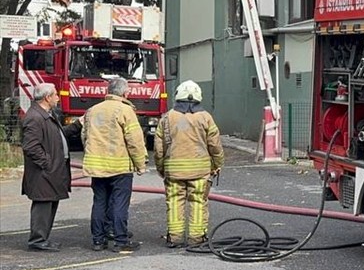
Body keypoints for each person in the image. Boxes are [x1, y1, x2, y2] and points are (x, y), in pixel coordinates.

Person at [154, 81, 224, 248]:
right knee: (198, 202)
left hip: (174, 171)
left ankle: (175, 238)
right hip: (200, 171)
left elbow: (159, 147)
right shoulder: (205, 117)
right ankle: (197, 238)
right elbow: (215, 144)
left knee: (174, 202)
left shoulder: (167, 117)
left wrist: (161, 167)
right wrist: (217, 164)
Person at [81, 77, 147, 252]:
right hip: (119, 167)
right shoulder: (125, 110)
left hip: (97, 166)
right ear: (125, 93)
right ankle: (120, 240)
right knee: (119, 203)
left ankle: (98, 241)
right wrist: (140, 164)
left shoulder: (92, 111)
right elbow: (134, 141)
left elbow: (84, 136)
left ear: (108, 91)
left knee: (99, 202)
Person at [20, 83, 82, 251]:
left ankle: (42, 239)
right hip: (44, 173)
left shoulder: (46, 114)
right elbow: (31, 146)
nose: (58, 97)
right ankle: (38, 240)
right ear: (47, 97)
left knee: (49, 204)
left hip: (50, 170)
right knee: (43, 205)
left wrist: (78, 125)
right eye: (55, 95)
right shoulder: (35, 117)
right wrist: (47, 163)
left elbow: (59, 134)